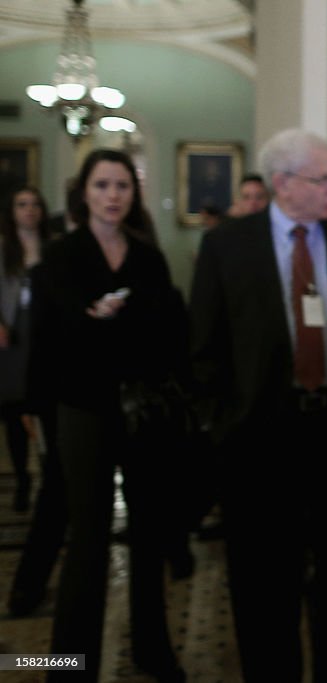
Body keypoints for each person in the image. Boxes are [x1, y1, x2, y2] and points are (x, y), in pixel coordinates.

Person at [189, 128, 327, 682]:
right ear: (284, 185)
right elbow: (204, 352)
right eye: (322, 178)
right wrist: (223, 430)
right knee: (264, 594)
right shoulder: (227, 246)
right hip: (260, 441)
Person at [29, 149, 187, 682]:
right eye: (102, 185)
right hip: (83, 410)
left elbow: (165, 333)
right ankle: (70, 667)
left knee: (149, 535)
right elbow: (54, 339)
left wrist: (107, 320)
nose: (113, 195)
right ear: (84, 194)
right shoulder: (62, 255)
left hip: (143, 410)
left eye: (122, 185)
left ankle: (152, 650)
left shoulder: (147, 257)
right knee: (88, 540)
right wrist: (99, 322)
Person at [0, 186, 54, 512]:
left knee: (45, 408)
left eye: (35, 204)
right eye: (22, 205)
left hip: (44, 334)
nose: (29, 210)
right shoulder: (3, 248)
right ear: (12, 211)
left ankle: (51, 478)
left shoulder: (52, 248)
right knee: (13, 410)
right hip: (12, 334)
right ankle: (22, 478)